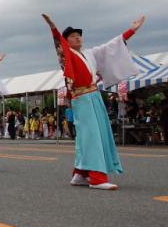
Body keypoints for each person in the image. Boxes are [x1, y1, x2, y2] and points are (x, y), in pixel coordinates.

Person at [42, 13, 145, 190]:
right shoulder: (67, 55)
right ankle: (97, 178)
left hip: (94, 96)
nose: (78, 38)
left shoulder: (90, 53)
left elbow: (111, 46)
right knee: (91, 135)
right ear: (66, 41)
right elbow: (59, 44)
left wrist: (132, 30)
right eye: (73, 36)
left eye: (79, 35)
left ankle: (80, 174)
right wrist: (53, 27)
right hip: (82, 98)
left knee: (95, 134)